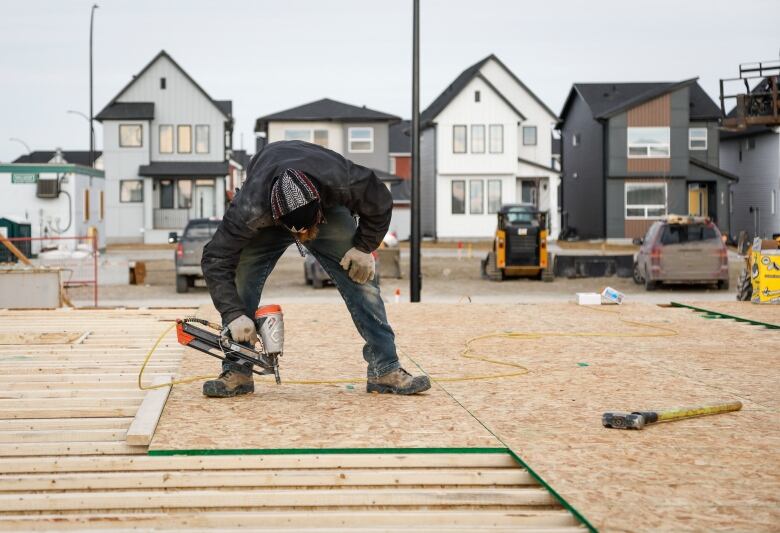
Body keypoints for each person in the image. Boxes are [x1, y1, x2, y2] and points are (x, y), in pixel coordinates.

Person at [200, 140, 431, 398]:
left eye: (306, 228)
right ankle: (238, 371)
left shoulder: (341, 179)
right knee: (241, 277)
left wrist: (364, 247)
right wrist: (233, 313)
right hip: (267, 212)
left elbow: (380, 200)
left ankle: (385, 369)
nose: (302, 236)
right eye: (296, 230)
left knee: (361, 278)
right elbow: (215, 257)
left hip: (328, 211)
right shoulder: (249, 209)